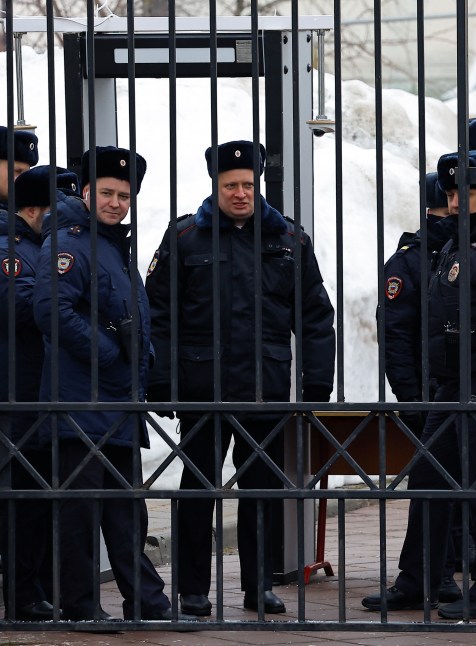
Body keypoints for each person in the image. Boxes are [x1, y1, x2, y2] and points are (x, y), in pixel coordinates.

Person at [145, 140, 336, 616]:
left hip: (263, 389)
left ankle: (259, 586)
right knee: (198, 489)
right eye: (231, 185)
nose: (240, 193)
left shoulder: (288, 240)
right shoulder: (186, 237)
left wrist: (316, 382)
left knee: (261, 491)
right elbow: (160, 315)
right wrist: (162, 382)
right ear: (216, 186)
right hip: (202, 389)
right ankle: (192, 589)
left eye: (248, 185)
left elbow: (314, 314)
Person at [361, 149, 476, 619]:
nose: (457, 201)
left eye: (468, 192)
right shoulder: (461, 243)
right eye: (453, 192)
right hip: (448, 386)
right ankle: (418, 581)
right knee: (429, 484)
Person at [32, 146, 175, 621]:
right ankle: (80, 608)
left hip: (117, 402)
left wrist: (143, 360)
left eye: (125, 196)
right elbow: (51, 310)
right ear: (88, 192)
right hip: (80, 401)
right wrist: (111, 352)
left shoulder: (112, 245)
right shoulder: (71, 242)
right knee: (81, 515)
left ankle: (147, 603)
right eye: (108, 193)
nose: (117, 203)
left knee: (126, 512)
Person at [380, 171, 463, 603]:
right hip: (430, 391)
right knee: (435, 481)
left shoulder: (473, 249)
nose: (453, 207)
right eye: (445, 201)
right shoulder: (411, 260)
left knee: (462, 482)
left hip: (464, 387)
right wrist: (412, 396)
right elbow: (396, 337)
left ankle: (457, 570)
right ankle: (435, 574)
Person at [0, 164, 75, 621]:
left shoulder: (52, 248)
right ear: (32, 211)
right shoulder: (13, 250)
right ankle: (24, 593)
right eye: (57, 209)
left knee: (47, 494)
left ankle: (45, 586)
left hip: (52, 390)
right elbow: (19, 308)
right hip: (19, 392)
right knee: (22, 498)